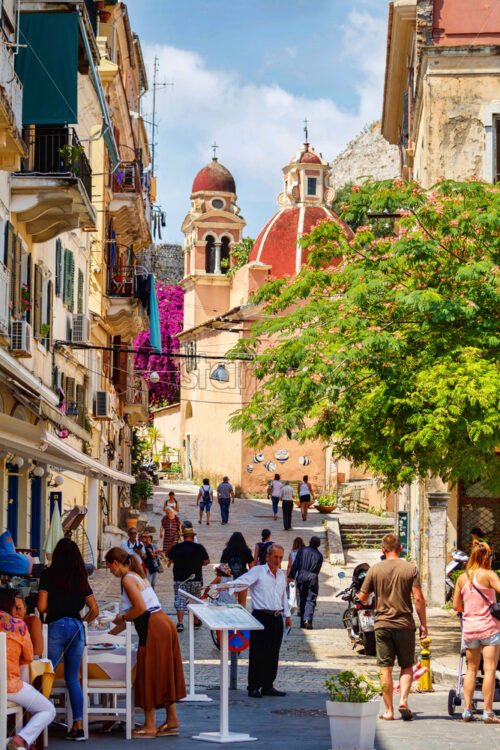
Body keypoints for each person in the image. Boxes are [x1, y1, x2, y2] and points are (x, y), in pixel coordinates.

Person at [105, 547, 186, 738]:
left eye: (109, 567)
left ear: (116, 564)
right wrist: (111, 634)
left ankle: (150, 725)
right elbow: (136, 612)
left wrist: (121, 619)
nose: (110, 572)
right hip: (163, 622)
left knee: (148, 673)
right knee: (164, 672)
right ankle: (172, 719)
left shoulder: (126, 579)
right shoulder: (137, 576)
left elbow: (139, 609)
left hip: (153, 627)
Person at [358, 533, 427, 722]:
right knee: (406, 666)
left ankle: (388, 711)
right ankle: (403, 700)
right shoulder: (410, 569)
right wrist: (424, 625)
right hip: (405, 624)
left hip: (382, 625)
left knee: (385, 669)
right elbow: (418, 599)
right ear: (400, 548)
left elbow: (363, 597)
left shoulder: (374, 570)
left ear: (383, 550)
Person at [37, 538, 99, 741]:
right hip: (76, 628)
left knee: (48, 674)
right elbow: (95, 610)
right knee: (73, 679)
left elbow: (42, 607)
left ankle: (40, 726)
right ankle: (78, 726)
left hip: (56, 626)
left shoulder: (48, 575)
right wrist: (83, 621)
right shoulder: (81, 577)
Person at [0, 588, 56, 750]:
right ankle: (21, 739)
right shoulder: (18, 625)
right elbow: (29, 657)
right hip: (10, 686)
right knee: (48, 709)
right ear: (11, 606)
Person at [453, 541, 500, 723]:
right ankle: (488, 712)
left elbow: (457, 605)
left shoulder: (462, 578)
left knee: (471, 670)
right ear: (486, 557)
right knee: (489, 670)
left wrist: (471, 610)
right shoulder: (488, 575)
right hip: (489, 628)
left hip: (470, 629)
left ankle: (466, 710)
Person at [236, 544, 292, 697]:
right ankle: (253, 686)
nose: (278, 560)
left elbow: (283, 597)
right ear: (267, 557)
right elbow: (242, 582)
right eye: (275, 557)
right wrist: (224, 589)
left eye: (280, 557)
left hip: (276, 617)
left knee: (273, 653)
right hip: (261, 616)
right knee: (258, 653)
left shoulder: (281, 574)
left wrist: (287, 615)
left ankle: (268, 685)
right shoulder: (258, 571)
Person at [168, 527, 210, 632]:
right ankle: (196, 621)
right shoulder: (199, 547)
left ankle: (180, 623)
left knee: (179, 599)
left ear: (184, 537)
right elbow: (207, 561)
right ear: (193, 537)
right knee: (195, 599)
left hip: (179, 579)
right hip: (195, 579)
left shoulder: (177, 547)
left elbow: (171, 559)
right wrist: (199, 563)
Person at [289, 536, 323, 629]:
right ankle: (307, 619)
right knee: (311, 599)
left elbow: (295, 564)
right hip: (313, 576)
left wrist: (291, 576)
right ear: (319, 545)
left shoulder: (302, 550)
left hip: (301, 575)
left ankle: (302, 622)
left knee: (303, 598)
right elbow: (317, 570)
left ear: (309, 541)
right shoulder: (319, 555)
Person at [220, 531, 254, 606]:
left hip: (231, 580)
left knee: (231, 602)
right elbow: (252, 566)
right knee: (242, 602)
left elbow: (223, 567)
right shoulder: (247, 551)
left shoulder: (226, 551)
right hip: (243, 579)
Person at [14, 592, 43, 658]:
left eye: (18, 608)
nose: (14, 612)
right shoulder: (5, 623)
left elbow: (37, 653)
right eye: (10, 608)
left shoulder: (32, 621)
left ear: (25, 608)